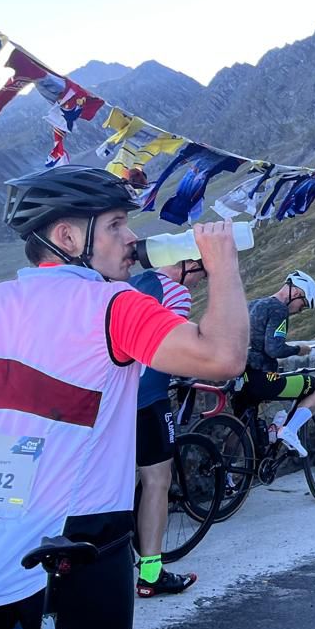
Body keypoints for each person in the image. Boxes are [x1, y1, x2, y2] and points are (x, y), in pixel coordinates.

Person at [0, 165, 249, 629]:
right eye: (115, 225)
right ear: (68, 237)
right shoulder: (115, 306)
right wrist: (222, 264)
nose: (131, 238)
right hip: (86, 545)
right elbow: (223, 355)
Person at [131, 252, 206, 598]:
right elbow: (172, 347)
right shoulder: (176, 291)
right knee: (157, 481)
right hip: (148, 399)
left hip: (111, 400)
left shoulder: (132, 284)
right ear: (187, 264)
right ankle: (150, 573)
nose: (199, 283)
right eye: (201, 274)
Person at [235, 270, 315, 455]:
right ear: (297, 292)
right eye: (303, 305)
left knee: (239, 427)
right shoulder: (279, 309)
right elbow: (274, 349)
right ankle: (290, 431)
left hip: (241, 377)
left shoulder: (253, 304)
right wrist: (298, 350)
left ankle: (228, 469)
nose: (300, 310)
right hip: (262, 379)